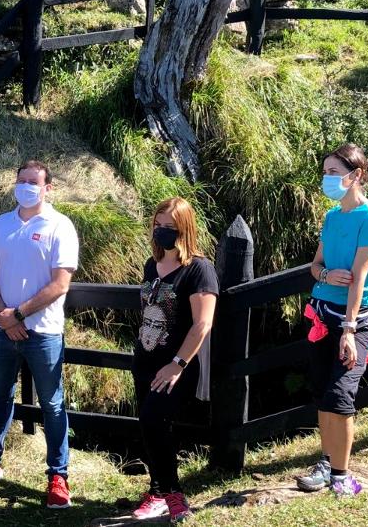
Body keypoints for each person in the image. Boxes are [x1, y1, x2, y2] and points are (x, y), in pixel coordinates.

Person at [0, 159, 78, 509]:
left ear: (48, 187)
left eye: (33, 181)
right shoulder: (1, 224)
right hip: (1, 329)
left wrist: (18, 314)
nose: (25, 186)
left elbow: (60, 283)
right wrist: (4, 317)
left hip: (44, 332)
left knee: (52, 405)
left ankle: (58, 475)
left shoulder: (61, 226)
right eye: (21, 180)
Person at [295, 143, 368, 493]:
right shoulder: (333, 216)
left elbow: (360, 278)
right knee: (322, 391)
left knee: (340, 395)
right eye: (325, 172)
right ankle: (326, 463)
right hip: (322, 315)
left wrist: (350, 330)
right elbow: (315, 265)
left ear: (356, 176)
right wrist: (324, 277)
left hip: (358, 319)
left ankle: (341, 475)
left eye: (333, 172)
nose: (327, 179)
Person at [128, 197, 217, 522]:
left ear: (184, 229)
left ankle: (174, 495)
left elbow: (202, 323)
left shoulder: (198, 270)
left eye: (170, 227)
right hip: (145, 361)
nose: (162, 231)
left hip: (176, 365)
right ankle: (156, 491)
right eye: (157, 225)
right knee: (149, 426)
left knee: (156, 421)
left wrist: (177, 364)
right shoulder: (152, 265)